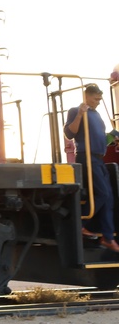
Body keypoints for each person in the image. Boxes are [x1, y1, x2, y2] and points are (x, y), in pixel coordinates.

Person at [64, 83, 119, 252]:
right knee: (102, 193)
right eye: (96, 99)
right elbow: (69, 133)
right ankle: (79, 224)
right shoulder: (76, 110)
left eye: (100, 99)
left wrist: (113, 137)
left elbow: (101, 139)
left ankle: (108, 238)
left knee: (108, 197)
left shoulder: (97, 115)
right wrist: (80, 114)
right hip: (86, 157)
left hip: (98, 159)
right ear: (86, 96)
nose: (98, 102)